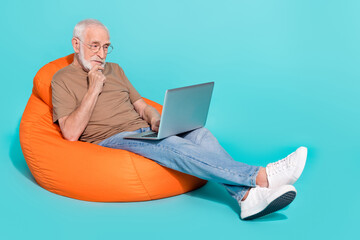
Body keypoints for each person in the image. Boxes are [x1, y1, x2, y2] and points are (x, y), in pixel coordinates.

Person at [51, 19, 307, 220]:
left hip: (141, 130)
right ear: (76, 44)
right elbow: (71, 133)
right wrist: (94, 88)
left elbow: (141, 105)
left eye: (106, 46)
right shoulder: (62, 79)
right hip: (112, 139)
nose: (101, 54)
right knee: (173, 145)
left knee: (199, 133)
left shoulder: (115, 69)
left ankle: (246, 198)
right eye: (94, 46)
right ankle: (261, 177)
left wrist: (156, 119)